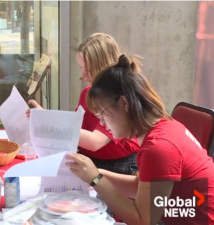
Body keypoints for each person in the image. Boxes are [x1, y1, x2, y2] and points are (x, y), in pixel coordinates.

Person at [66, 55, 214, 225]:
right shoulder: (164, 127)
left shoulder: (159, 147)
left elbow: (143, 221)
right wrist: (93, 174)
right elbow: (141, 186)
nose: (101, 122)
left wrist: (96, 179)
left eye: (102, 113)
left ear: (124, 103)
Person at [28, 33, 139, 175]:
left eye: (88, 69)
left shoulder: (118, 97)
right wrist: (44, 118)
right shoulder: (87, 93)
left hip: (120, 165)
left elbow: (95, 142)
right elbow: (74, 130)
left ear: (103, 67)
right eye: (81, 67)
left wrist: (49, 122)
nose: (83, 75)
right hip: (91, 159)